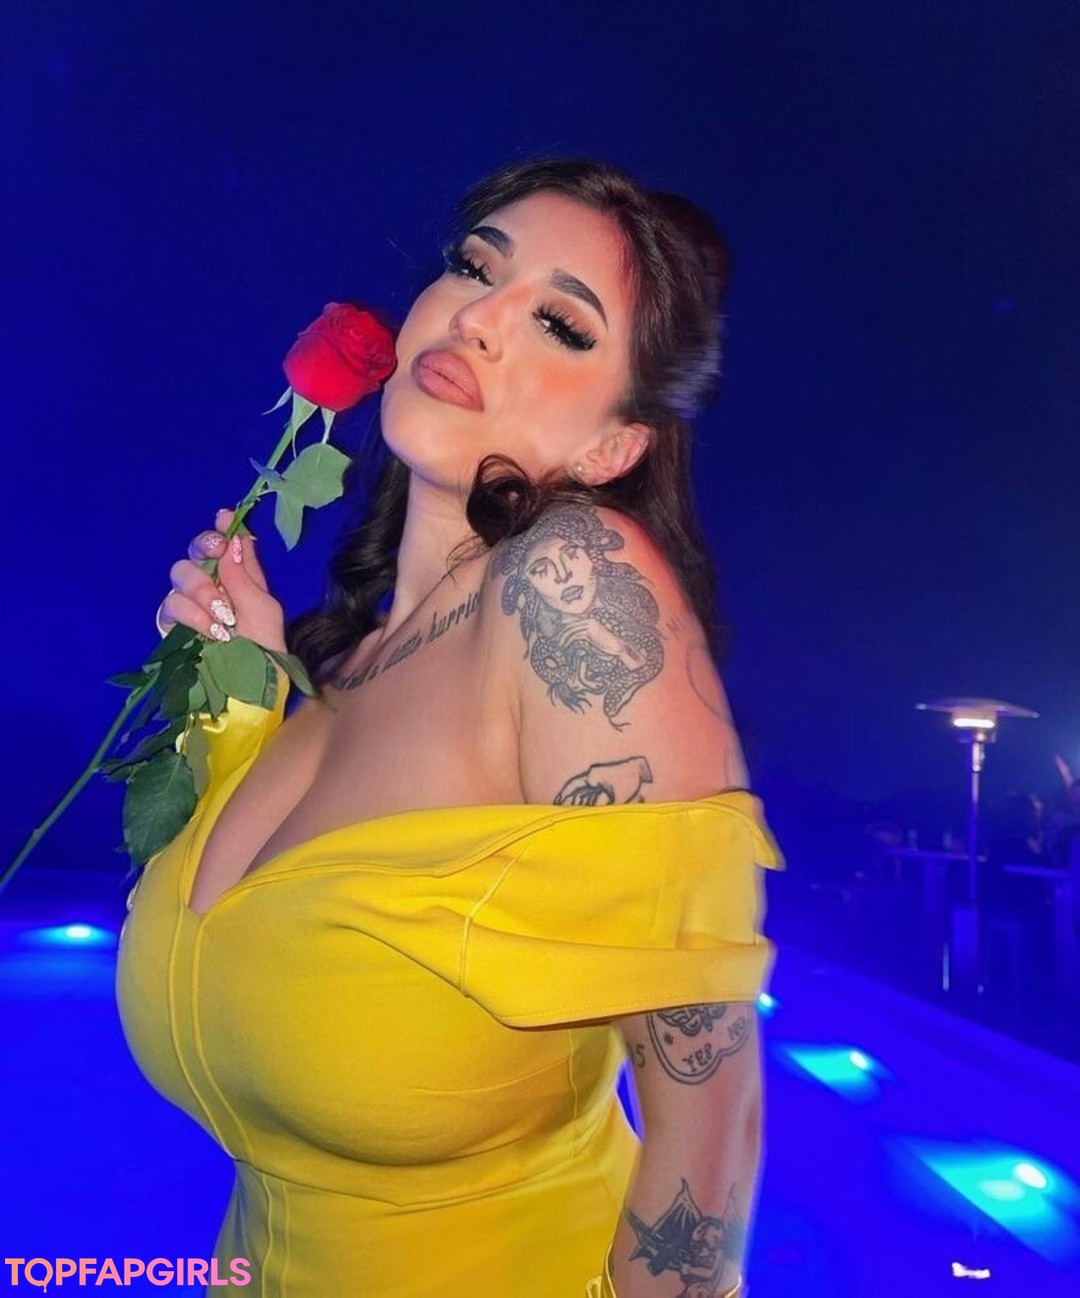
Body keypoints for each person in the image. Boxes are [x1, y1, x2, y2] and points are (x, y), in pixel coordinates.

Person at [116, 157, 782, 1298]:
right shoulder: (340, 673)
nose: (478, 317)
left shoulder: (573, 585)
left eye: (560, 324)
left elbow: (708, 1114)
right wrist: (244, 687)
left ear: (614, 446)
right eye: (476, 266)